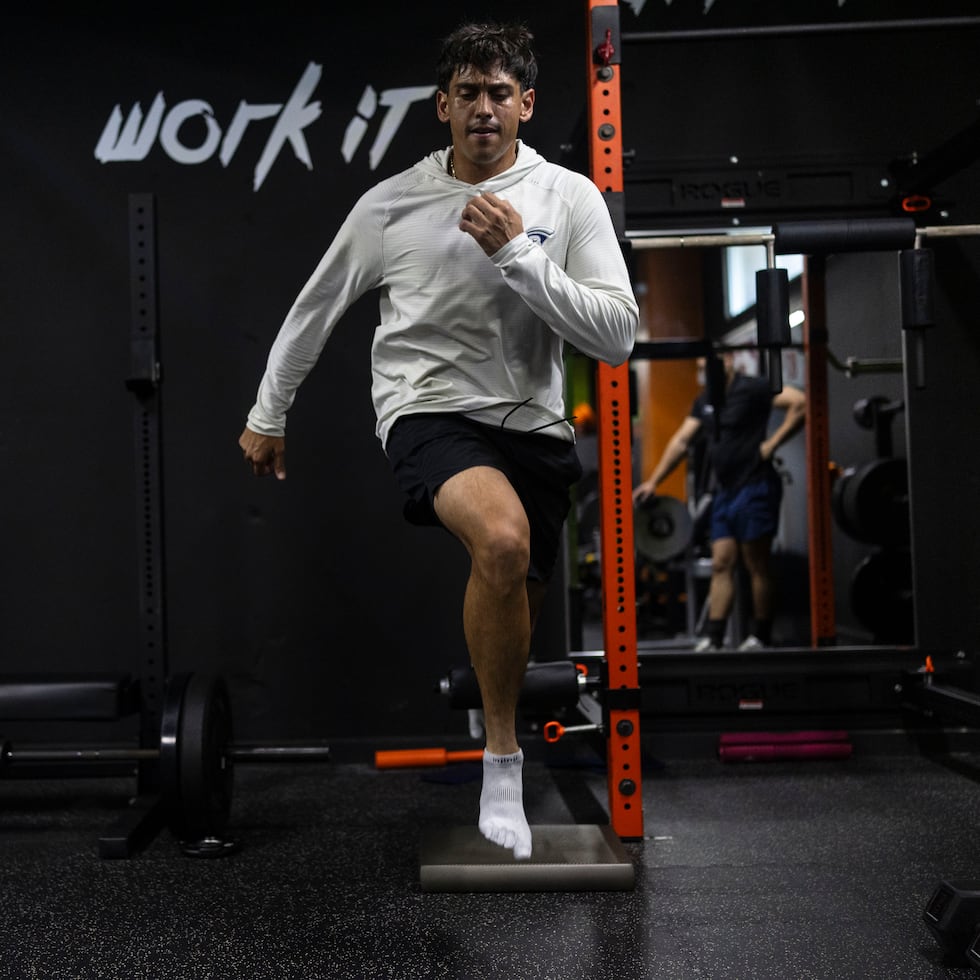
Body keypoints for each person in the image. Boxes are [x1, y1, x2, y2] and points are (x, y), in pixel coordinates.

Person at [238, 23, 638, 860]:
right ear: (442, 107)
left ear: (526, 104)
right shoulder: (391, 205)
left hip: (534, 427)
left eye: (500, 93)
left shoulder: (569, 198)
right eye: (468, 93)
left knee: (519, 597)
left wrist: (520, 258)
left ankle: (500, 730)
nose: (484, 108)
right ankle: (502, 760)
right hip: (427, 410)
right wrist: (270, 412)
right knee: (500, 539)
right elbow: (316, 308)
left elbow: (616, 337)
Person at [633, 352, 805, 651]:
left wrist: (771, 445)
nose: (704, 374)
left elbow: (798, 403)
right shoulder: (705, 401)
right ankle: (713, 639)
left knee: (756, 563)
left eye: (707, 367)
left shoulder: (752, 388)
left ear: (728, 362)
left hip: (756, 485)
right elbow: (681, 441)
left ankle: (760, 636)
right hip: (725, 492)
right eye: (699, 369)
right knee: (721, 563)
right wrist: (654, 481)